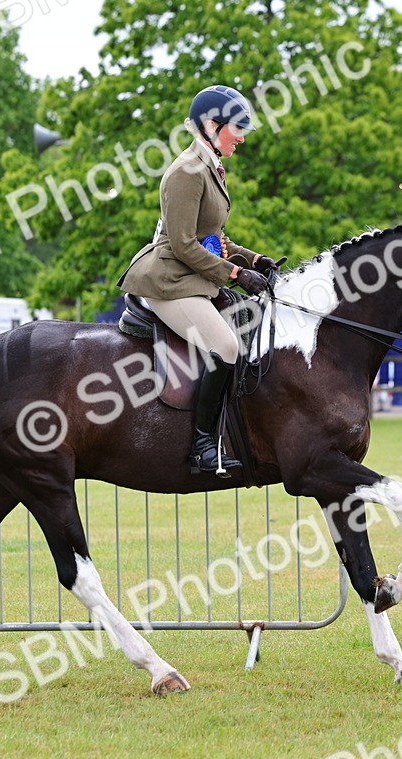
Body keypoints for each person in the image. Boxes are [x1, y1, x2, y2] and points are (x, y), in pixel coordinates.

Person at [117, 84, 283, 476]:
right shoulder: (187, 171)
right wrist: (238, 274)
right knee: (225, 345)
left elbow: (214, 238)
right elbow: (184, 244)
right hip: (169, 280)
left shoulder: (210, 166)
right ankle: (203, 447)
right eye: (237, 128)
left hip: (192, 276)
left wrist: (255, 259)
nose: (241, 137)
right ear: (211, 124)